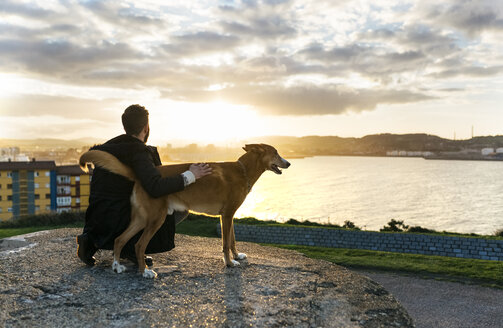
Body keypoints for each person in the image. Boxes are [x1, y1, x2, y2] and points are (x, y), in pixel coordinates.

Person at [76, 104, 212, 266]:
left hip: (98, 222)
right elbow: (155, 188)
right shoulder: (138, 152)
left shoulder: (107, 149)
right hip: (123, 219)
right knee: (180, 208)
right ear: (146, 128)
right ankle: (134, 246)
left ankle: (89, 242)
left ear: (125, 126)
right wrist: (191, 175)